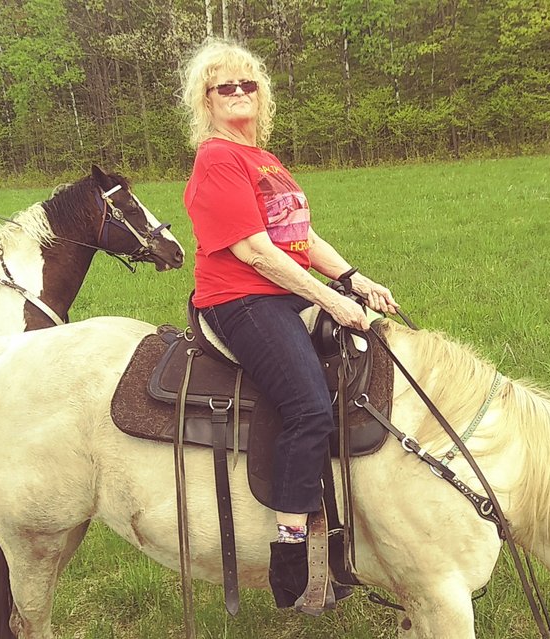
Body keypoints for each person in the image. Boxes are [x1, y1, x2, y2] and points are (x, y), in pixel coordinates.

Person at [179, 40, 400, 608]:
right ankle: (291, 551)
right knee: (308, 406)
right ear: (205, 99)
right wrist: (329, 300)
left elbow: (300, 237)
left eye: (246, 84)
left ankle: (355, 521)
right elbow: (254, 251)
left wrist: (354, 278)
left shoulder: (266, 160)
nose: (237, 94)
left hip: (283, 290)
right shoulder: (217, 158)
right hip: (244, 299)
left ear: (261, 93)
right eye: (224, 86)